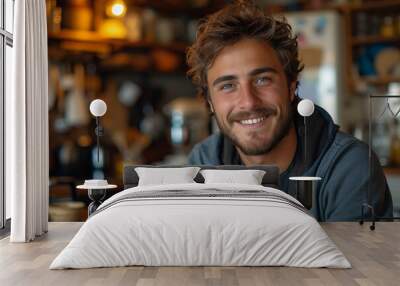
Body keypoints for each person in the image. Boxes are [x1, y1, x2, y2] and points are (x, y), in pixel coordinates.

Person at [186, 1, 393, 221]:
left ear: (292, 86)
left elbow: (350, 256)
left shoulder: (349, 168)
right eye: (228, 86)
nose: (248, 102)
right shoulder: (202, 165)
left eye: (262, 80)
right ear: (210, 102)